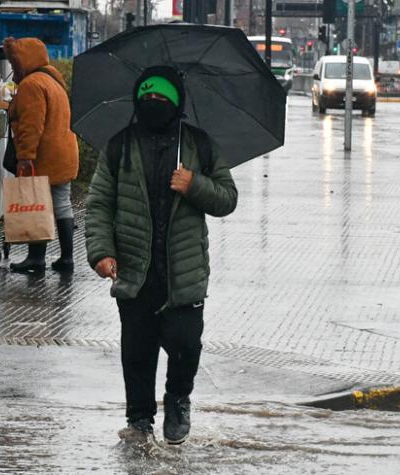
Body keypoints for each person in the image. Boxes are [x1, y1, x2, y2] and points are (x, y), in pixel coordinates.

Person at [85, 66, 238, 445]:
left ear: (177, 104)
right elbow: (99, 204)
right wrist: (101, 252)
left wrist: (194, 185)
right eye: (146, 98)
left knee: (185, 344)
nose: (153, 104)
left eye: (161, 98)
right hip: (135, 270)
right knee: (137, 352)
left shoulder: (199, 145)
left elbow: (227, 198)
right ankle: (139, 420)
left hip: (182, 273)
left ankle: (177, 398)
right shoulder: (119, 146)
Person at [3, 37, 79, 274]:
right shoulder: (53, 79)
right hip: (64, 153)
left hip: (44, 156)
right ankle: (67, 258)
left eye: (15, 62)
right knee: (61, 205)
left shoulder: (32, 85)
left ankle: (36, 258)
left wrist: (25, 156)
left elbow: (31, 125)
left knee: (37, 204)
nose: (13, 67)